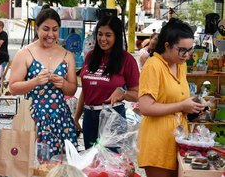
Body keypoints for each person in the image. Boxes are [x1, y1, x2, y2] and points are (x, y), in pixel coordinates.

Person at [137, 18, 205, 177]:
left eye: (190, 50)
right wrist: (182, 106)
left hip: (179, 140)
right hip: (157, 142)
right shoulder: (153, 65)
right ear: (167, 45)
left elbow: (177, 99)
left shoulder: (180, 65)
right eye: (182, 50)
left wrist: (193, 108)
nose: (187, 55)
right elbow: (146, 107)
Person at [9, 8, 78, 157]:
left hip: (60, 118)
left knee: (61, 165)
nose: (51, 35)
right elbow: (13, 87)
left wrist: (63, 85)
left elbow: (72, 89)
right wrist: (35, 81)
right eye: (46, 29)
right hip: (33, 117)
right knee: (33, 163)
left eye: (55, 30)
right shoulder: (25, 53)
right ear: (37, 28)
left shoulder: (67, 55)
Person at [74, 15, 139, 150]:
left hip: (112, 117)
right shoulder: (90, 57)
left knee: (110, 165)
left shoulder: (127, 60)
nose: (103, 39)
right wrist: (76, 118)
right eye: (99, 34)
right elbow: (86, 92)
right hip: (89, 117)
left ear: (116, 36)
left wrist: (123, 92)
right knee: (91, 163)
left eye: (108, 35)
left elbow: (138, 94)